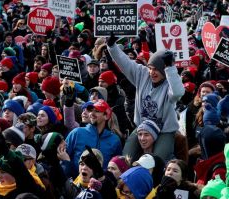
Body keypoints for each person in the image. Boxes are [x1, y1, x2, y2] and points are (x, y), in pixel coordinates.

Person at [107, 32, 185, 161]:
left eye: (156, 69)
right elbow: (124, 62)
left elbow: (178, 92)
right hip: (143, 127)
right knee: (126, 158)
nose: (152, 73)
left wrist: (170, 68)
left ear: (164, 71)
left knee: (155, 161)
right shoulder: (142, 74)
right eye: (150, 68)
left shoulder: (169, 84)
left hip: (164, 131)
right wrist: (111, 46)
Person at [65, 99, 122, 175]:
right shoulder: (77, 133)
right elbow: (63, 156)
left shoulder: (115, 140)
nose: (92, 113)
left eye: (97, 111)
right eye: (91, 110)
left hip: (101, 185)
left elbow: (116, 167)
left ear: (106, 116)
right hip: (76, 183)